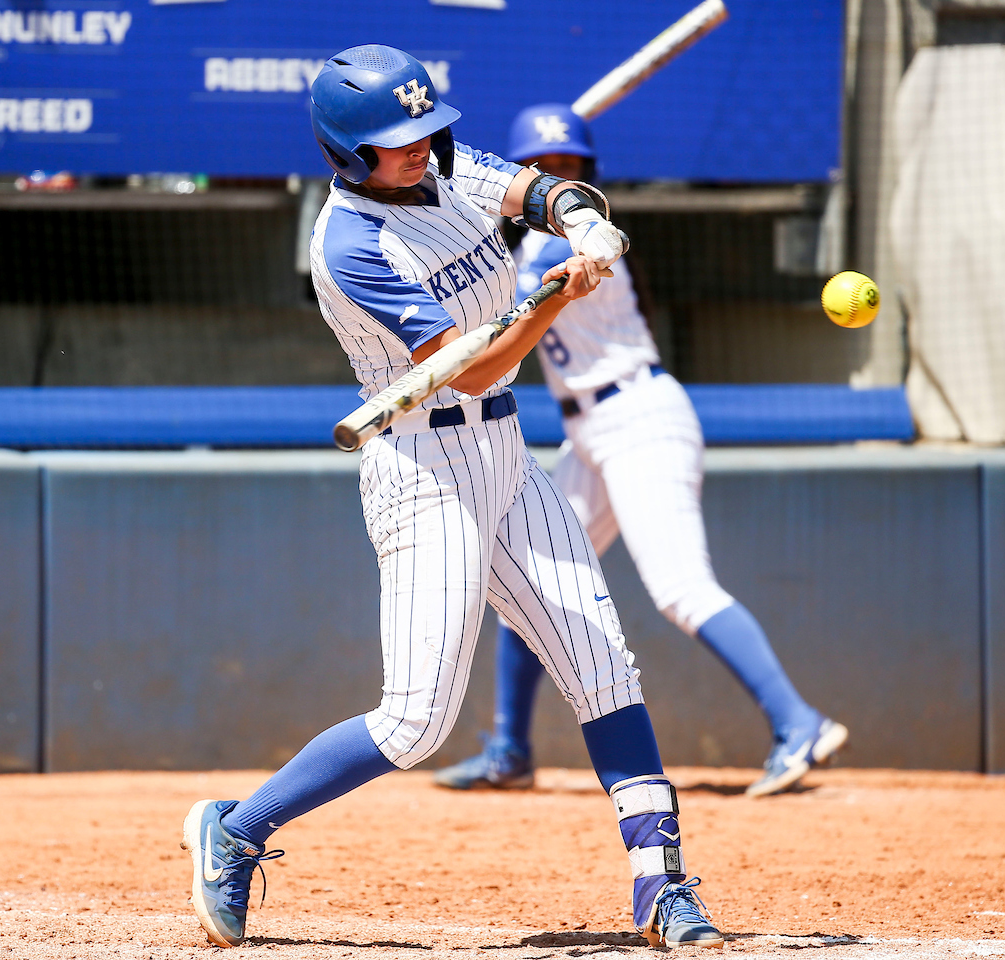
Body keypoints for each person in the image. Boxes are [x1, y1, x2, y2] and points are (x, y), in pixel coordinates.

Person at [181, 47, 723, 951]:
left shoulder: (442, 164)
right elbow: (478, 369)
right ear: (349, 155)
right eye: (397, 143)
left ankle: (660, 886)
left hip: (505, 455)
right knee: (416, 721)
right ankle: (235, 830)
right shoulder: (351, 245)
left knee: (603, 666)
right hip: (424, 474)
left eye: (428, 131)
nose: (420, 150)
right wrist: (552, 294)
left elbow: (541, 192)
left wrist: (585, 225)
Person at [433, 104, 848, 800]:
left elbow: (525, 271)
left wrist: (503, 216)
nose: (562, 178)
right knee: (525, 583)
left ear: (588, 180)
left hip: (639, 418)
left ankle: (797, 722)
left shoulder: (581, 241)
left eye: (573, 169)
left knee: (681, 588)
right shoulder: (521, 249)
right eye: (548, 169)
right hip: (590, 435)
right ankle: (509, 749)